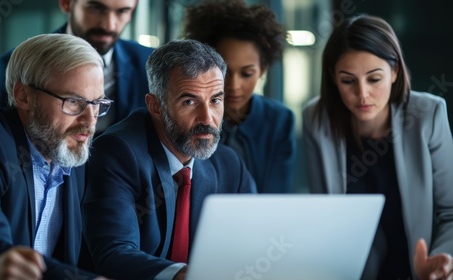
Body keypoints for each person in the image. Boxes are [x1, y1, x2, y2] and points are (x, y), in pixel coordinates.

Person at [82, 39, 257, 280]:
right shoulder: (116, 152)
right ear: (155, 105)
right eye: (189, 101)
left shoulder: (229, 165)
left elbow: (255, 242)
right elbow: (113, 253)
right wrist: (185, 275)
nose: (207, 118)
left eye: (215, 100)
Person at [302, 14, 453, 280]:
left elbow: (450, 212)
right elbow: (322, 215)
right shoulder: (316, 119)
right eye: (348, 80)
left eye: (374, 79)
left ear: (394, 72)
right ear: (333, 78)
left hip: (419, 269)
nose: (362, 94)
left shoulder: (428, 114)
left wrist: (441, 261)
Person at [0, 33, 110, 279]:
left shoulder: (71, 155)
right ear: (23, 96)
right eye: (73, 102)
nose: (90, 121)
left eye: (96, 103)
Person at [0, 0, 153, 134]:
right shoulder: (17, 64)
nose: (109, 25)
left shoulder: (150, 63)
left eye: (122, 11)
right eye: (95, 7)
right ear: (66, 3)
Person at [182, 0, 296, 193]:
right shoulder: (188, 115)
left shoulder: (279, 120)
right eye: (225, 72)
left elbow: (276, 196)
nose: (234, 86)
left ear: (262, 70)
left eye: (247, 74)